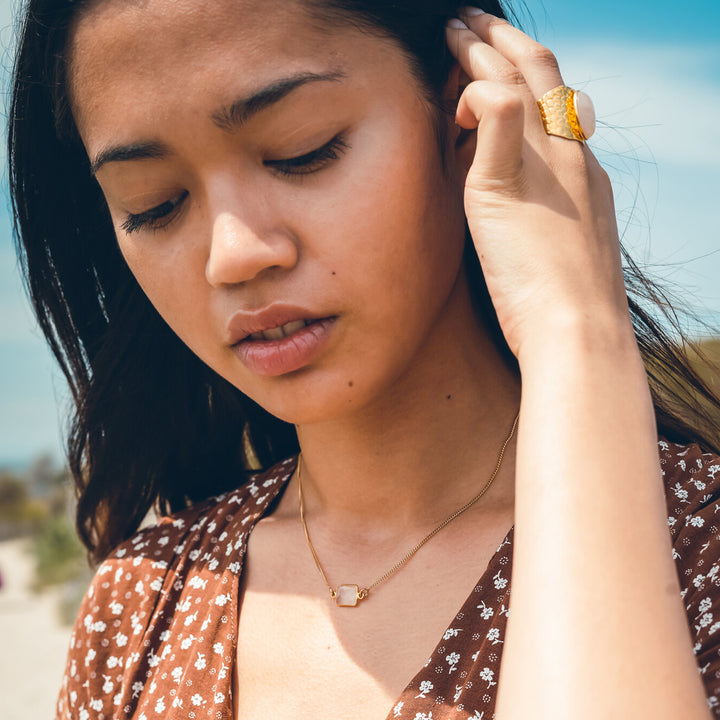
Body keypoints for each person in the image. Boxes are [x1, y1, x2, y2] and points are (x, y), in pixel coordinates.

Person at [8, 0, 720, 718]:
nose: (234, 256)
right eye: (155, 204)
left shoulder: (701, 547)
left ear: (465, 125)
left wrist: (577, 326)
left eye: (302, 150)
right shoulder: (141, 604)